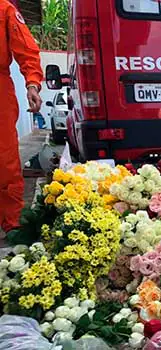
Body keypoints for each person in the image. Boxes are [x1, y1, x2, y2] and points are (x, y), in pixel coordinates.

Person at [0, 0, 43, 237]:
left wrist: (33, 84)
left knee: (5, 159)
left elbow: (26, 49)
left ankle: (12, 222)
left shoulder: (4, 9)